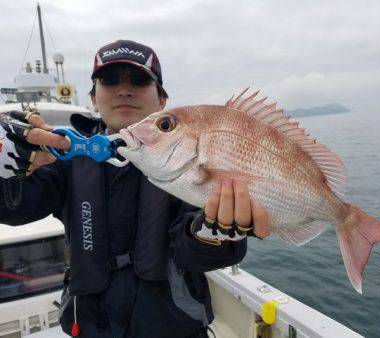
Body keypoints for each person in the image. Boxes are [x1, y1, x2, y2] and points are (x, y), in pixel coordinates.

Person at [0, 40, 270, 338]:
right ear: (93, 97)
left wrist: (212, 234)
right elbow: (14, 207)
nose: (124, 89)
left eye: (140, 80)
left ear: (162, 100)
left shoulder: (187, 156)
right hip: (91, 328)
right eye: (110, 79)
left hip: (175, 329)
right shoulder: (64, 156)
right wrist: (7, 163)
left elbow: (197, 256)